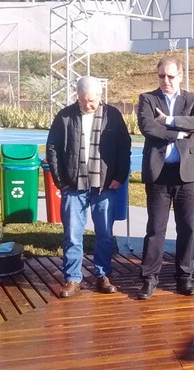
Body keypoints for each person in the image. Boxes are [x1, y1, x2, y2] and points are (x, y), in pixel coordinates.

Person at [46, 76, 131, 298]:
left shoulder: (113, 116)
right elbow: (52, 148)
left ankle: (103, 275)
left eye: (92, 100)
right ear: (77, 96)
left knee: (105, 233)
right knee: (73, 234)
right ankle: (73, 278)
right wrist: (61, 181)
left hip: (104, 186)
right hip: (74, 186)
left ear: (100, 96)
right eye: (83, 100)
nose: (88, 105)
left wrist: (120, 177)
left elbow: (124, 147)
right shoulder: (65, 116)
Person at [137, 56, 194, 300]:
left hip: (187, 175)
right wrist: (180, 133)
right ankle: (149, 278)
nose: (165, 80)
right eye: (161, 76)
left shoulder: (192, 99)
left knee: (186, 228)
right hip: (159, 174)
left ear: (180, 76)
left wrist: (169, 121)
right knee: (155, 228)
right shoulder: (147, 99)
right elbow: (148, 127)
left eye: (170, 76)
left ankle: (184, 277)